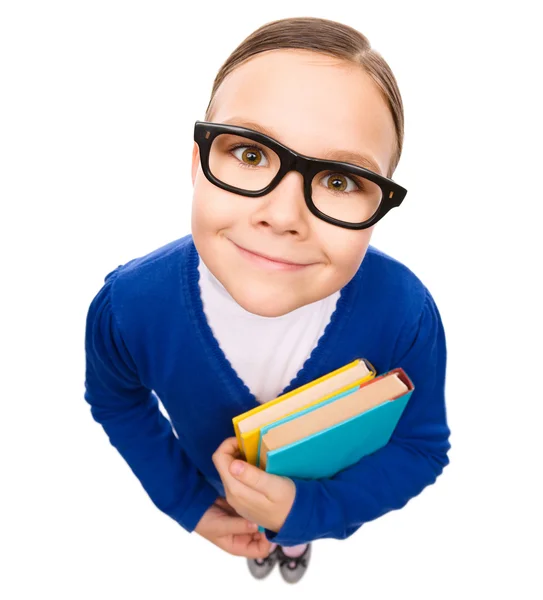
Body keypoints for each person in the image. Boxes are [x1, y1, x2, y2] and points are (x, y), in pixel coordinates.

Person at [83, 16, 451, 585]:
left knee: (294, 525)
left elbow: (422, 447)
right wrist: (192, 506)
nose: (281, 216)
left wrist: (306, 513)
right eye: (250, 154)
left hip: (320, 489)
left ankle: (294, 541)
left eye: (341, 180)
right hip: (216, 495)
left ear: (380, 204)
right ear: (195, 162)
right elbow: (118, 403)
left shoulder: (405, 314)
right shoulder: (128, 307)